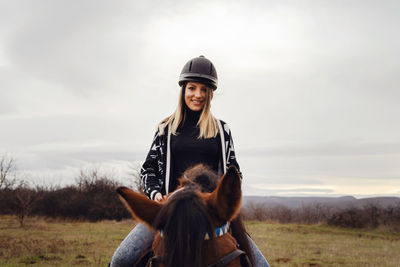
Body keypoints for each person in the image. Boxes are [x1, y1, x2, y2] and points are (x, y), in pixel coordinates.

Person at [110, 56, 269, 267]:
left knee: (262, 265)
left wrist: (223, 199)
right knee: (121, 259)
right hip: (171, 210)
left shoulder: (222, 130)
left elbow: (234, 171)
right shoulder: (165, 129)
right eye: (192, 88)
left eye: (204, 89)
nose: (198, 95)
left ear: (210, 94)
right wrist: (156, 195)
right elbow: (148, 169)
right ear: (183, 89)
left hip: (212, 212)